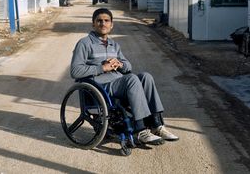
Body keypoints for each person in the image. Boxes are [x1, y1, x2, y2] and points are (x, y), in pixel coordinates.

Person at [70, 8, 179, 145]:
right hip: (100, 87)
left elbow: (128, 67)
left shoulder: (114, 45)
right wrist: (101, 68)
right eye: (99, 21)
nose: (103, 24)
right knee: (132, 79)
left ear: (111, 24)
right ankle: (140, 130)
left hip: (119, 83)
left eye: (106, 21)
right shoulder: (84, 43)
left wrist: (119, 64)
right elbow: (75, 71)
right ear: (93, 24)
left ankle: (157, 125)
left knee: (146, 77)